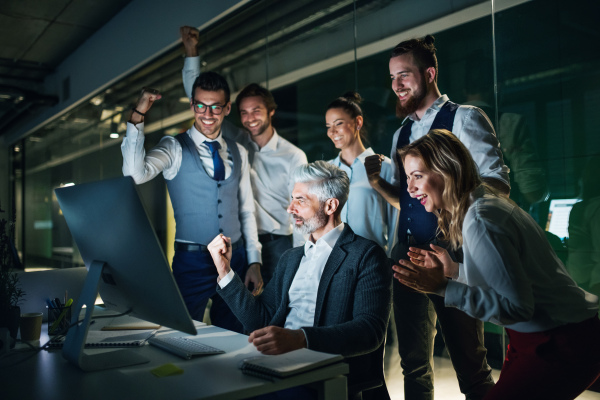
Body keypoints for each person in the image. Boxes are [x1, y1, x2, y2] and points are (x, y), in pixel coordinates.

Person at [394, 129, 600, 400]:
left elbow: (517, 307)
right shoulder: (483, 205)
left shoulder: (481, 219)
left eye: (417, 176)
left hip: (559, 342)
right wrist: (454, 271)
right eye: (408, 178)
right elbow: (511, 278)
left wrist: (443, 287)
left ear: (447, 169)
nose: (410, 189)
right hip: (554, 335)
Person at [365, 35, 508, 400]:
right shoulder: (402, 133)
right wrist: (378, 185)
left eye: (405, 75)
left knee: (470, 367)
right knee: (413, 366)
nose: (396, 85)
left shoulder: (465, 118)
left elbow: (496, 186)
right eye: (393, 77)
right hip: (407, 258)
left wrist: (448, 204)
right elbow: (411, 200)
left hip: (451, 257)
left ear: (429, 73)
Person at [207, 161, 392, 399]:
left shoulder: (366, 255)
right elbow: (260, 321)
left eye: (300, 200)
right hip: (276, 366)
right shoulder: (291, 258)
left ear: (330, 206)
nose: (290, 208)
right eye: (292, 198)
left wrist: (300, 339)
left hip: (324, 373)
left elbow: (370, 331)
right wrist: (224, 271)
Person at [121, 74, 262, 333]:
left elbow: (246, 210)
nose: (207, 114)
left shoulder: (239, 151)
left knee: (236, 334)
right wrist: (138, 115)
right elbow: (134, 174)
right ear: (192, 106)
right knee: (182, 332)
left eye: (216, 106)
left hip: (237, 260)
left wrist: (254, 261)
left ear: (227, 108)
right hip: (192, 263)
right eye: (201, 105)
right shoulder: (173, 147)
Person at [180, 26, 308, 285]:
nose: (250, 118)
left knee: (279, 312)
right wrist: (192, 52)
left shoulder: (293, 156)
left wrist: (302, 258)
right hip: (240, 245)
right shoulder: (237, 142)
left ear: (271, 111)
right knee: (244, 314)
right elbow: (199, 98)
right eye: (244, 112)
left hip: (279, 245)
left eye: (256, 111)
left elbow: (302, 212)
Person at [325, 91, 397, 254]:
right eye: (328, 126)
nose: (332, 132)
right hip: (334, 262)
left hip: (374, 260)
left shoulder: (385, 167)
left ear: (358, 122)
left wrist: (390, 262)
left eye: (338, 123)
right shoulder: (326, 171)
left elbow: (395, 224)